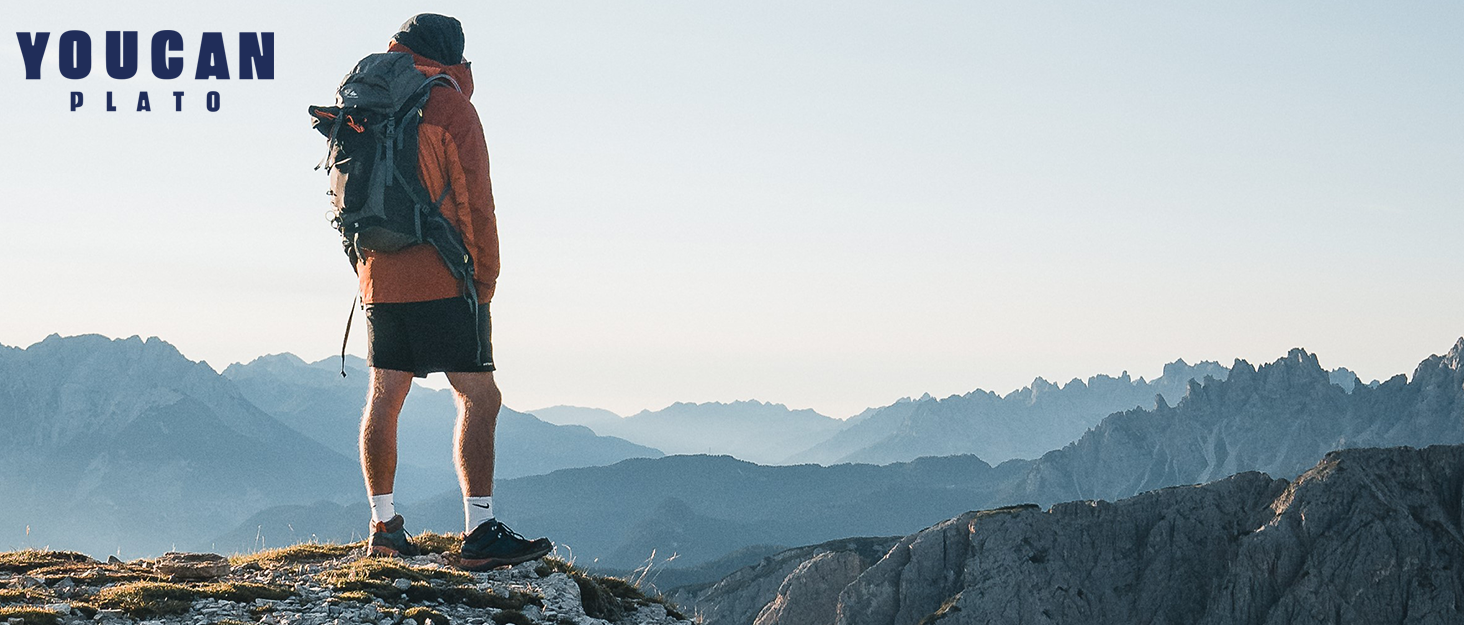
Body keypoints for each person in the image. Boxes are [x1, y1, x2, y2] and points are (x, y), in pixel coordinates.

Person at [356, 13, 552, 571]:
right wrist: (484, 280)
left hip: (379, 276)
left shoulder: (368, 99)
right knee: (479, 397)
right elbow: (476, 205)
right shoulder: (447, 106)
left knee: (385, 396)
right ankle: (480, 531)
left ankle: (383, 527)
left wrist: (369, 271)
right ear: (452, 56)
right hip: (444, 275)